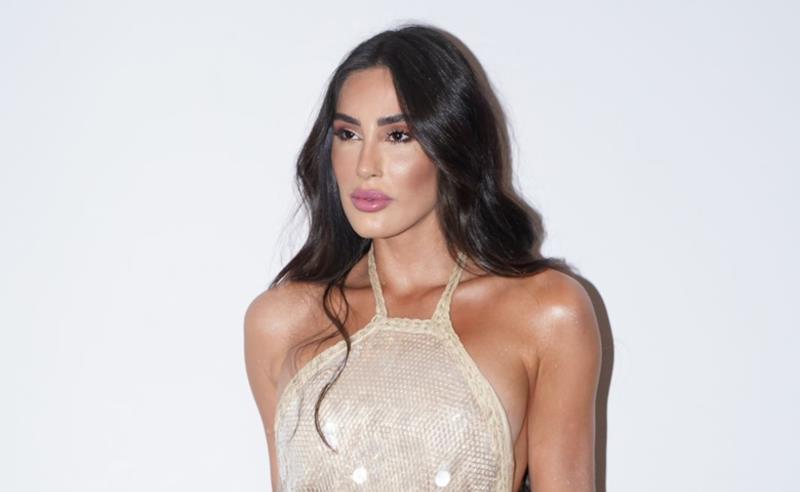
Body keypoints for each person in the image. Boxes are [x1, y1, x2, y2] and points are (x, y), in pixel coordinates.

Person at [244, 23, 602, 492]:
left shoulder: (547, 312)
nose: (365, 166)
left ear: (451, 144)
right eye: (348, 134)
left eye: (397, 136)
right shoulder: (281, 323)